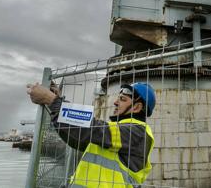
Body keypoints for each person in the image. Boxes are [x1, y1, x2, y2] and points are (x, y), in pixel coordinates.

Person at [27, 81, 156, 188]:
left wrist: (53, 101)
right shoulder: (115, 135)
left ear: (137, 107)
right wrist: (56, 104)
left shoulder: (137, 132)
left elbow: (91, 129)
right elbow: (76, 138)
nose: (116, 102)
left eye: (122, 99)